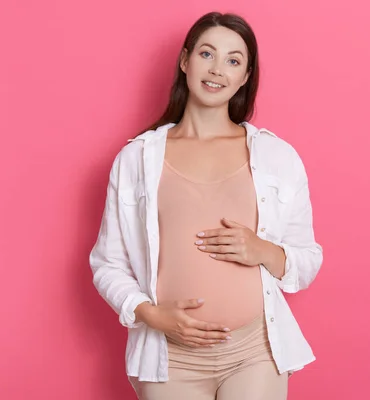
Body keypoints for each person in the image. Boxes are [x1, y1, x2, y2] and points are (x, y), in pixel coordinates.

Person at [89, 11, 324, 400]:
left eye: (234, 61)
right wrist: (150, 314)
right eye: (207, 54)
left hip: (254, 352)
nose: (217, 70)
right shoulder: (136, 159)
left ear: (245, 77)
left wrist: (261, 249)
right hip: (171, 359)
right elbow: (107, 264)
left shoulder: (277, 157)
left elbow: (308, 259)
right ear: (185, 61)